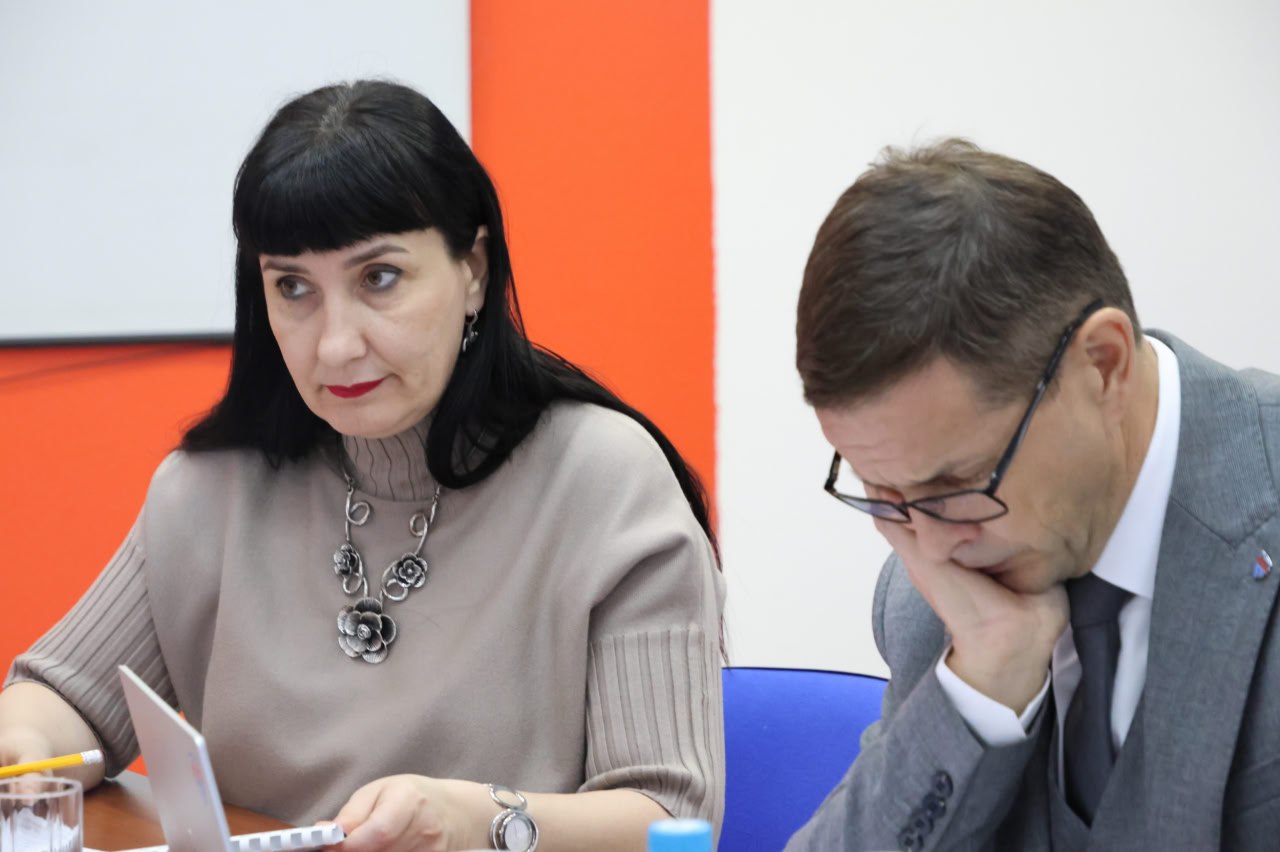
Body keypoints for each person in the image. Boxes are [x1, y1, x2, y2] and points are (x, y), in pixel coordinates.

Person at [0, 80, 725, 851]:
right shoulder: (210, 490)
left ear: (474, 269)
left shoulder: (604, 480)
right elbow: (58, 698)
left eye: (379, 278)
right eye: (294, 288)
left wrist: (470, 820)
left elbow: (669, 816)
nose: (335, 344)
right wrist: (24, 745)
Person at [786, 139, 1280, 851]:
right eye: (883, 491)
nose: (931, 547)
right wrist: (982, 685)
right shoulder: (936, 604)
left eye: (956, 485)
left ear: (1103, 365)